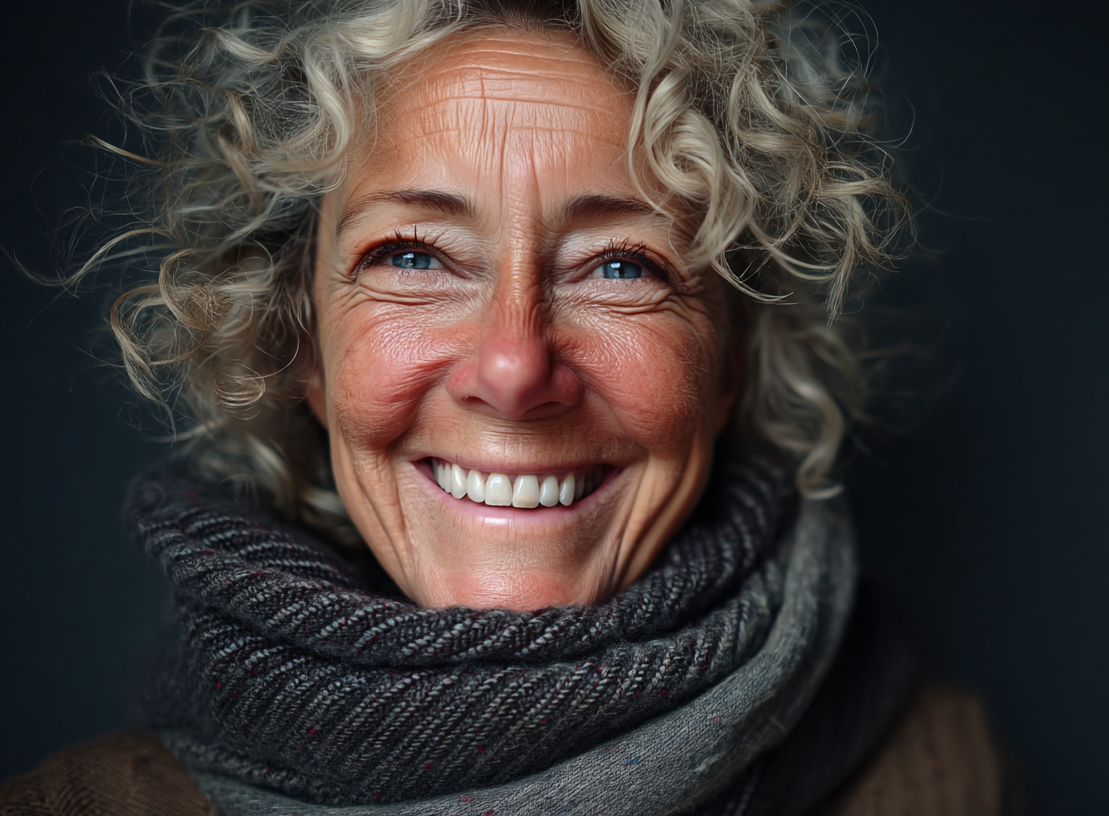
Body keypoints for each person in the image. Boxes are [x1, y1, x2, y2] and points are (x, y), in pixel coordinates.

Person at [1, 0, 1016, 813]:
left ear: (728, 363)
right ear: (299, 340)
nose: (515, 368)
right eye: (413, 257)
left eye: (621, 266)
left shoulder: (942, 780)